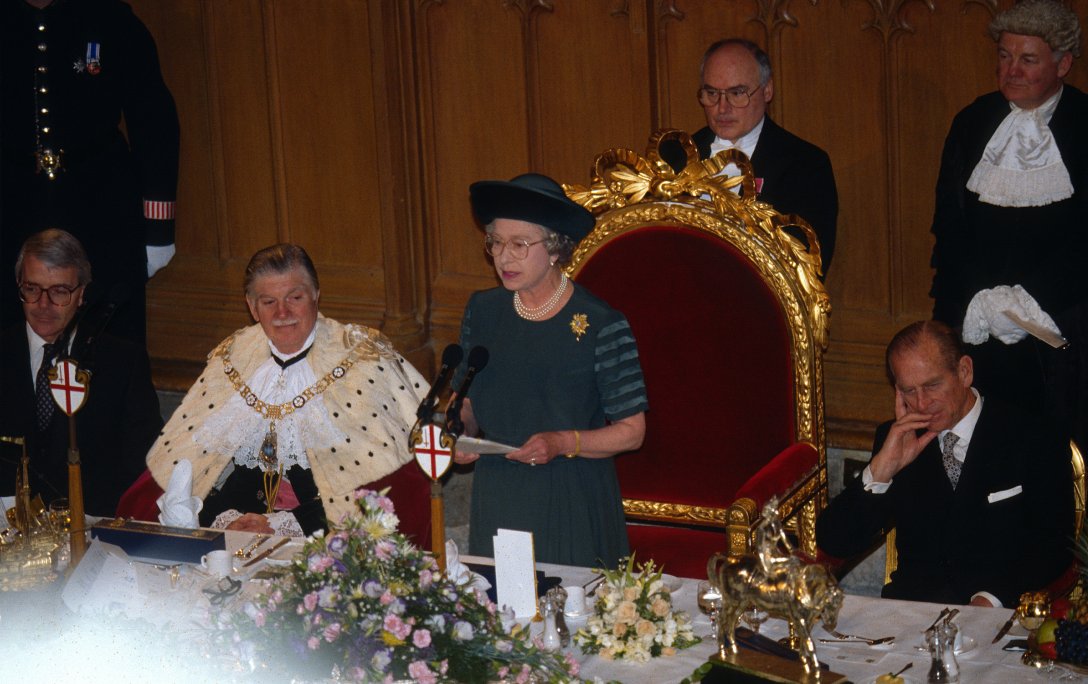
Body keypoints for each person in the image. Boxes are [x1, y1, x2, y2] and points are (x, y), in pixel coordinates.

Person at [143, 244, 430, 537]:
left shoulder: (361, 357)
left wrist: (286, 524)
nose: (283, 312)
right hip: (240, 526)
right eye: (269, 302)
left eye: (295, 297)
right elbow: (193, 464)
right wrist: (226, 517)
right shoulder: (233, 357)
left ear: (316, 294)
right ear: (252, 307)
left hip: (324, 535)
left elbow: (382, 481)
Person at [452, 173, 649, 567]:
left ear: (556, 247)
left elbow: (632, 432)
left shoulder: (601, 323)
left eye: (520, 244)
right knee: (501, 612)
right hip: (498, 490)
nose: (504, 257)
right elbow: (467, 399)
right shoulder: (483, 310)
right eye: (496, 243)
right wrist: (461, 433)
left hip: (570, 493)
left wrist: (562, 442)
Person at [816, 321, 1073, 607]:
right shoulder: (896, 440)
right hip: (913, 620)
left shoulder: (1032, 435)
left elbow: (1055, 546)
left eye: (932, 385)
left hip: (999, 616)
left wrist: (993, 598)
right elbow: (834, 542)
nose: (922, 403)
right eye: (908, 391)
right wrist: (882, 470)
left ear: (964, 371)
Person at [929, 0, 1087, 451]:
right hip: (976, 316)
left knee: (1050, 451)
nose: (1012, 70)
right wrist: (981, 302)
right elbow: (950, 221)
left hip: (1062, 325)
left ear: (1064, 64)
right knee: (984, 446)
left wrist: (1027, 301)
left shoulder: (1084, 126)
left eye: (1028, 59)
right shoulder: (972, 121)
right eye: (1004, 55)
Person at [1, 0, 180, 345]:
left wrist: (159, 231)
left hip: (100, 205)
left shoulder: (109, 17)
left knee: (111, 335)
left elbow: (154, 121)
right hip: (12, 203)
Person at [0, 229, 162, 516]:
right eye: (32, 289)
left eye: (60, 291)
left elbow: (144, 465)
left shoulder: (122, 362)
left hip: (94, 533)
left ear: (82, 294)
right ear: (19, 286)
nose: (44, 305)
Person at [661, 38, 838, 273]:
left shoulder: (806, 165)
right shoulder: (673, 155)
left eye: (737, 93)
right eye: (712, 93)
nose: (722, 108)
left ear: (767, 91)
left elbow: (808, 264)